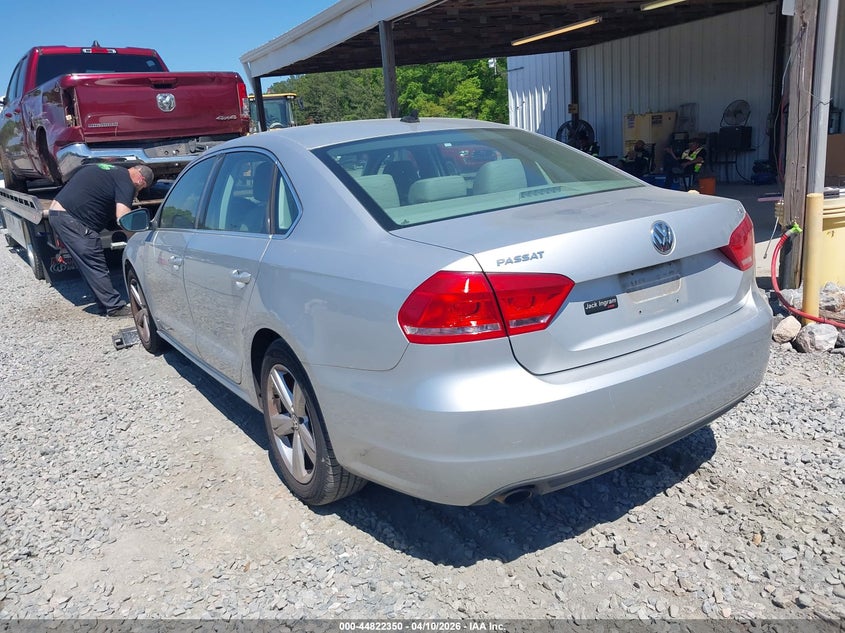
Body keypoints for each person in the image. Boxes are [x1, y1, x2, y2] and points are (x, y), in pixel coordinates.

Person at [48, 163, 154, 317]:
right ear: (141, 180)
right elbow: (123, 217)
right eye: (141, 188)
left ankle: (104, 305)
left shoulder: (113, 172)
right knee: (94, 262)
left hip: (60, 215)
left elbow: (107, 208)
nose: (138, 191)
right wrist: (136, 243)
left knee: (89, 265)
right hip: (71, 219)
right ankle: (114, 307)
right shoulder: (127, 182)